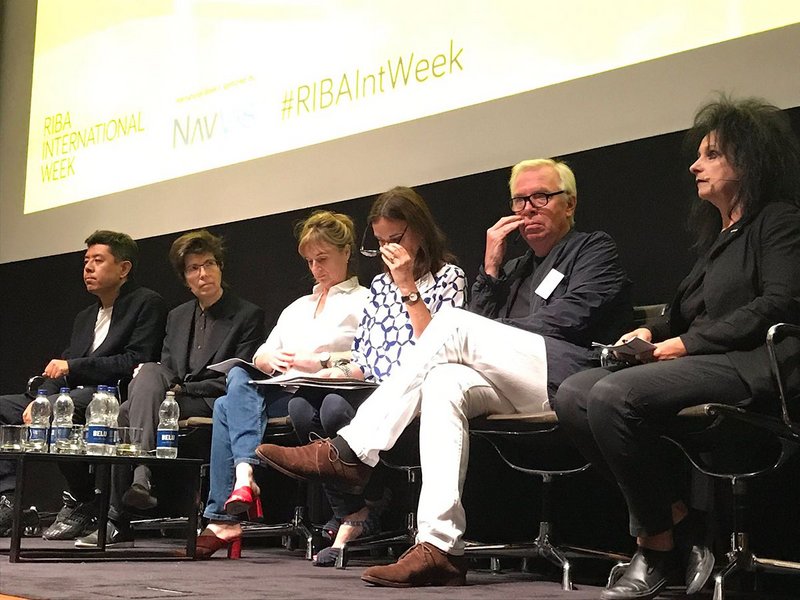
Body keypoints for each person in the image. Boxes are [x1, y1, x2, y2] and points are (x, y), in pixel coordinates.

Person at [256, 158, 632, 586]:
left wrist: (485, 330)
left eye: (541, 197)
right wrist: (491, 268)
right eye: (519, 199)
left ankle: (350, 451)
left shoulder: (594, 248)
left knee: (451, 324)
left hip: (567, 379)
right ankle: (439, 547)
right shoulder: (514, 268)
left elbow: (571, 319)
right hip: (511, 384)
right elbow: (480, 323)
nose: (528, 208)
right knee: (442, 381)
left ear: (570, 203)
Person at [553, 96, 800, 600]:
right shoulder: (718, 236)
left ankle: (657, 547)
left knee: (611, 396)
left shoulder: (779, 221)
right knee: (575, 392)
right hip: (704, 360)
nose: (695, 164)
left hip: (750, 365)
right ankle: (682, 521)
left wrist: (681, 345)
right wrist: (650, 333)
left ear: (748, 161)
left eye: (710, 154)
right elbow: (682, 311)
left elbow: (779, 303)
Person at [287, 186, 467, 566]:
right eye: (381, 242)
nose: (388, 251)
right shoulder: (381, 286)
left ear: (419, 231)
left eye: (396, 240)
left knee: (335, 409)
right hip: (369, 385)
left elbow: (438, 345)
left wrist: (407, 286)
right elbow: (363, 356)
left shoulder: (450, 277)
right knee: (302, 405)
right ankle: (353, 510)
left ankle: (370, 504)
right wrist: (328, 371)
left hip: (420, 389)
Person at [194, 210, 371, 559]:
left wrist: (320, 363)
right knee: (239, 375)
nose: (316, 268)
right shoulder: (298, 307)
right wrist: (262, 360)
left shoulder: (364, 301)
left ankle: (224, 513)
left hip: (322, 393)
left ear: (346, 252)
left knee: (226, 407)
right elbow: (265, 349)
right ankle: (244, 478)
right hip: (281, 389)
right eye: (309, 261)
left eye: (323, 259)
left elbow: (368, 358)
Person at [74, 229, 265, 548]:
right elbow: (167, 368)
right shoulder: (177, 317)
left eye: (209, 264)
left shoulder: (247, 315)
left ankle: (130, 498)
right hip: (171, 400)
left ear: (220, 267)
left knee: (130, 407)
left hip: (212, 403)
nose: (203, 273)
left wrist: (181, 389)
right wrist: (167, 384)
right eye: (193, 268)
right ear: (185, 277)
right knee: (136, 389)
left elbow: (236, 379)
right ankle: (130, 497)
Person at [0, 231, 167, 539]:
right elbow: (63, 370)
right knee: (8, 407)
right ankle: (9, 497)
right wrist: (41, 396)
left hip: (111, 393)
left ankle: (83, 497)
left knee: (55, 410)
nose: (88, 267)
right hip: (72, 393)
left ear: (124, 268)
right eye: (86, 261)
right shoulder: (85, 316)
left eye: (98, 260)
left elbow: (135, 360)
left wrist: (73, 370)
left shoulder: (146, 303)